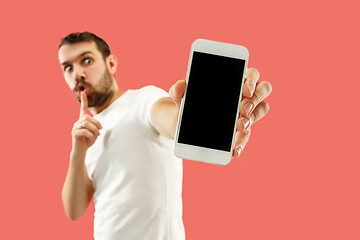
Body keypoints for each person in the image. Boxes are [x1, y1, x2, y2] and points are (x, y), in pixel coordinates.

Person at [59, 32, 272, 240]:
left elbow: (170, 119)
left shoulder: (142, 100)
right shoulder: (86, 133)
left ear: (111, 64)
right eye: (68, 67)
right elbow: (75, 210)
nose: (77, 73)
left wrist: (199, 115)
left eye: (86, 60)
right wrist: (77, 152)